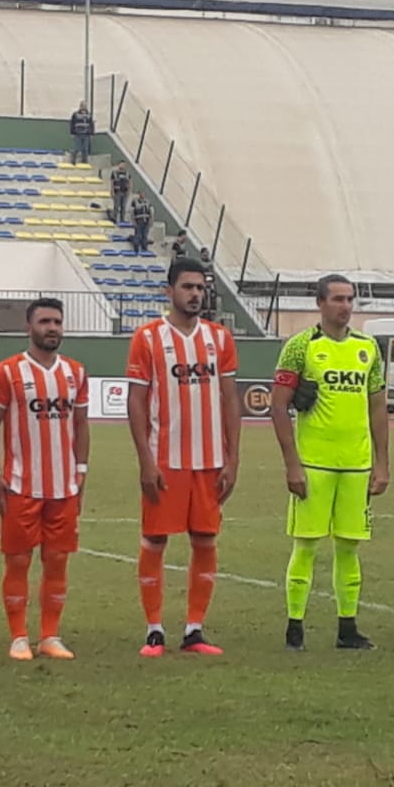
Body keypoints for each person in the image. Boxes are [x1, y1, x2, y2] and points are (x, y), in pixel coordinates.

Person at [128, 259, 241, 656]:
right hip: (165, 459)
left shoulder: (219, 338)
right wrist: (145, 460)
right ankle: (154, 630)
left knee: (206, 539)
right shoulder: (147, 338)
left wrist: (232, 458)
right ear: (169, 291)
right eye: (188, 287)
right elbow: (136, 400)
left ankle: (194, 630)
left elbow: (230, 399)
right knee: (155, 539)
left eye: (200, 288)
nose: (195, 294)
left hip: (209, 461)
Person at [270, 275, 388, 651]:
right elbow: (277, 405)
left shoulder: (368, 347)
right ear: (320, 303)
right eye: (337, 299)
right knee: (306, 545)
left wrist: (382, 463)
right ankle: (294, 626)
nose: (345, 306)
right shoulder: (300, 346)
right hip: (314, 464)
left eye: (350, 299)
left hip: (356, 464)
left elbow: (378, 407)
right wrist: (292, 464)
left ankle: (347, 627)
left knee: (350, 546)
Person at [0, 298, 88, 661]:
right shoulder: (7, 372)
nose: (52, 327)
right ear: (29, 327)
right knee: (17, 561)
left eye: (57, 321)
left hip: (63, 486)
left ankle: (50, 636)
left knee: (57, 560)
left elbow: (81, 425)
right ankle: (18, 636)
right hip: (20, 485)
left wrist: (81, 470)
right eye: (45, 321)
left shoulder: (75, 372)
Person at [69, 100, 94, 164]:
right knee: (77, 148)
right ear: (80, 106)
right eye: (83, 105)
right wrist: (72, 133)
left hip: (86, 134)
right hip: (78, 134)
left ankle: (84, 161)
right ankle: (73, 160)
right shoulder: (75, 114)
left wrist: (91, 134)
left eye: (85, 106)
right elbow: (72, 124)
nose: (84, 107)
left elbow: (91, 124)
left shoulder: (89, 115)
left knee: (85, 149)